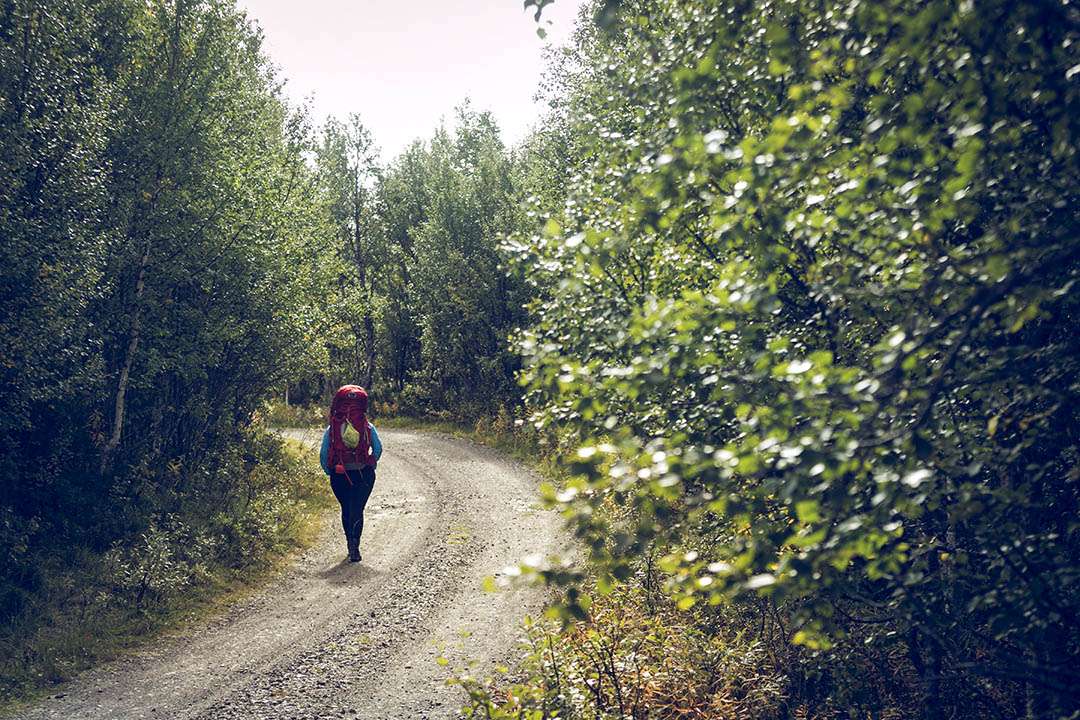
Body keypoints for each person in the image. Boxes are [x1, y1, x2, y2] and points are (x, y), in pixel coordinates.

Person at [319, 385, 382, 562]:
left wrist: (329, 472)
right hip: (363, 474)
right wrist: (369, 465)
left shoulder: (332, 428)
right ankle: (355, 547)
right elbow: (378, 448)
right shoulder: (367, 426)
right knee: (357, 510)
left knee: (346, 508)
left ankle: (349, 544)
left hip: (339, 475)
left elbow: (324, 454)